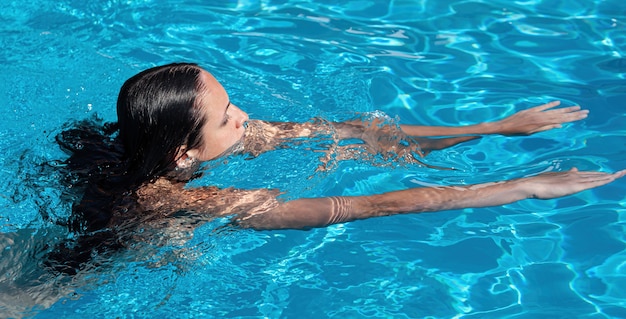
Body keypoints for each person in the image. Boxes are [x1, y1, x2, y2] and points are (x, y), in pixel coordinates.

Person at [52, 62, 623, 269]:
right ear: (185, 154)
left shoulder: (146, 141)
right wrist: (521, 187)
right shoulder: (184, 200)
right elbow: (360, 207)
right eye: (228, 117)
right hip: (52, 283)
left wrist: (490, 127)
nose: (246, 118)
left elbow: (348, 132)